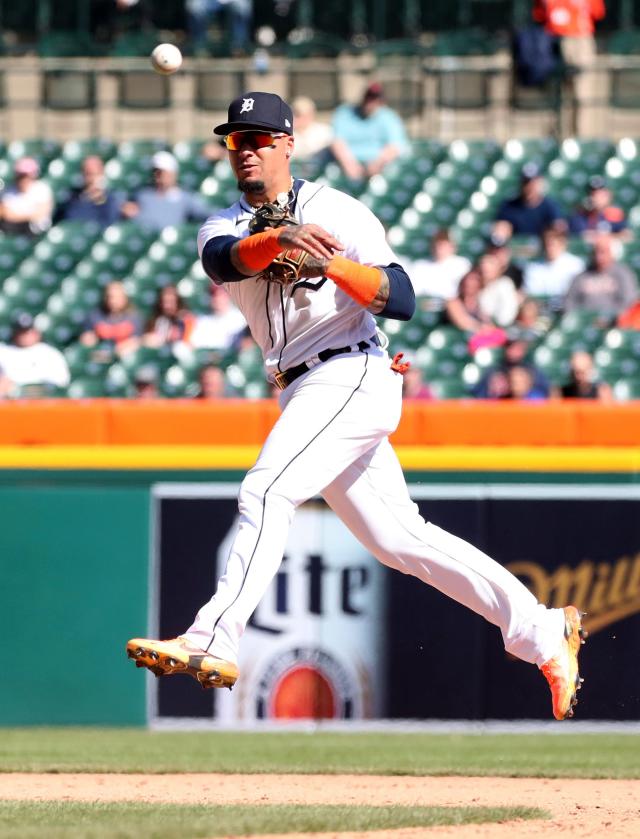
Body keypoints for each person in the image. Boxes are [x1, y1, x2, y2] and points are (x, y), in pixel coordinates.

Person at [127, 90, 587, 722]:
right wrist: (283, 238)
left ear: (288, 144)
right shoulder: (224, 223)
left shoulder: (338, 209)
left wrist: (333, 261)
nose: (248, 150)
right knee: (401, 540)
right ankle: (540, 630)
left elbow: (399, 297)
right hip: (302, 386)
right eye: (237, 140)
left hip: (350, 371)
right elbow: (225, 261)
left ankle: (214, 634)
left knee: (267, 490)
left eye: (261, 138)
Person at [532, 0, 605, 135]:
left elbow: (597, 12)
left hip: (580, 39)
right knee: (556, 94)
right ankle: (556, 138)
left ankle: (581, 138)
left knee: (583, 95)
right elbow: (539, 14)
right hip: (553, 40)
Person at [330, 82, 409, 182]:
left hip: (380, 167)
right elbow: (337, 142)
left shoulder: (388, 117)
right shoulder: (345, 113)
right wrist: (350, 165)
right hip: (347, 167)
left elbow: (395, 146)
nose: (371, 102)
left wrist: (378, 163)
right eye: (369, 98)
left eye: (375, 99)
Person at [121, 151, 212, 232]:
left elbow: (208, 215)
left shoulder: (186, 198)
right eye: (155, 171)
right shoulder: (141, 194)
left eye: (161, 172)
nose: (157, 175)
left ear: (173, 174)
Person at [564, 232, 637, 319]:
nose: (598, 257)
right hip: (584, 323)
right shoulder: (582, 276)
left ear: (613, 253)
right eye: (595, 252)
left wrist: (609, 318)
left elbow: (629, 303)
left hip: (613, 323)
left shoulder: (623, 274)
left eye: (603, 252)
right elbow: (569, 303)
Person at [0, 313, 70, 393]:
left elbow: (61, 383)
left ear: (36, 332)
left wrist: (22, 390)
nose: (25, 335)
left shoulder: (49, 353)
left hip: (42, 400)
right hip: (10, 401)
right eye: (21, 332)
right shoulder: (3, 351)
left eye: (28, 331)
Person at [493, 162, 565, 239]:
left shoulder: (550, 206)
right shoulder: (509, 207)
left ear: (540, 182)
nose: (529, 187)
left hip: (542, 249)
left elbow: (558, 231)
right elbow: (499, 233)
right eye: (526, 183)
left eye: (533, 183)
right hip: (516, 249)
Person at [58, 155, 125, 228]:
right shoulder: (73, 199)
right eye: (89, 174)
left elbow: (111, 224)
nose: (93, 179)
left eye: (97, 173)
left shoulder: (112, 199)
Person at [79, 280, 142, 355]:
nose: (113, 301)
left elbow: (137, 340)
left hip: (124, 356)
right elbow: (87, 337)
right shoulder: (95, 315)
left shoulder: (134, 317)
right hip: (101, 354)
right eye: (110, 297)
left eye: (118, 297)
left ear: (125, 298)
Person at [523, 227, 586, 299]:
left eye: (553, 244)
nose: (549, 248)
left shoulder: (576, 265)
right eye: (547, 244)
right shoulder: (533, 267)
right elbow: (532, 293)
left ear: (563, 244)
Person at [409, 229, 471, 300]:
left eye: (443, 244)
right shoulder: (420, 265)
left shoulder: (462, 264)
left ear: (452, 246)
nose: (438, 248)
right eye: (436, 244)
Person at [0, 157, 54, 237]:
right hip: (10, 227)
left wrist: (16, 216)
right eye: (21, 175)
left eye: (26, 175)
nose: (23, 179)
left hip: (34, 230)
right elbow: (4, 212)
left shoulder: (42, 189)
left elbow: (41, 213)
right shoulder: (9, 190)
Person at [189, 283, 247, 350]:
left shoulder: (241, 317)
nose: (217, 300)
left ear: (226, 296)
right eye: (214, 296)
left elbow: (246, 344)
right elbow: (192, 345)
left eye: (220, 295)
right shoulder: (202, 320)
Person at [290, 96, 332, 166]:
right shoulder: (286, 135)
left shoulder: (325, 132)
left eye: (298, 114)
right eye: (292, 113)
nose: (294, 117)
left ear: (310, 115)